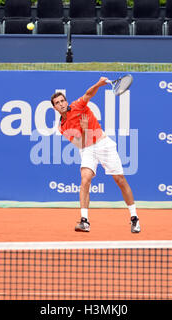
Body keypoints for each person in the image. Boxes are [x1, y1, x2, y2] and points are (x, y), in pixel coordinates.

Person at [51, 77, 140, 233]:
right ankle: (84, 221)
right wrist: (84, 129)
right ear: (55, 108)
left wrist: (99, 84)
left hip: (103, 143)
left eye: (62, 101)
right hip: (87, 149)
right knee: (85, 180)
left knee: (119, 179)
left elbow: (88, 94)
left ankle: (134, 218)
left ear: (66, 101)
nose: (61, 104)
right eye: (57, 103)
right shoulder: (62, 127)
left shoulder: (77, 105)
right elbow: (81, 144)